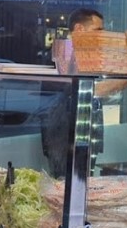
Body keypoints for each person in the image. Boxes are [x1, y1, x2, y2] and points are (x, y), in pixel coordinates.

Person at [42, 9, 108, 178]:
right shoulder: (63, 52)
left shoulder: (90, 55)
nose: (102, 36)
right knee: (65, 181)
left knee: (84, 179)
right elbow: (78, 90)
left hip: (87, 130)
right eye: (98, 30)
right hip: (64, 131)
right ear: (79, 29)